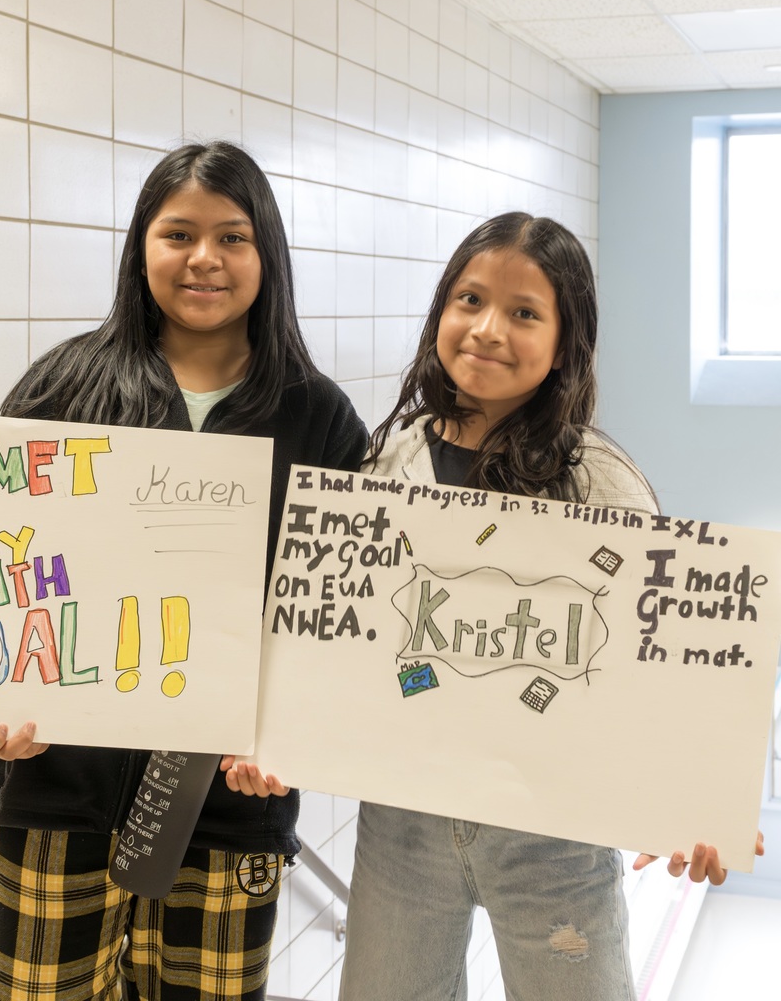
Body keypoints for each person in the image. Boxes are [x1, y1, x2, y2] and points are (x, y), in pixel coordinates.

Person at [0, 141, 368, 1001]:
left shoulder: (319, 418)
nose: (204, 259)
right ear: (142, 245)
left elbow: (336, 616)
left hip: (227, 810)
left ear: (269, 256)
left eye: (233, 236)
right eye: (178, 234)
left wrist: (293, 732)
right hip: (56, 790)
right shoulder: (64, 388)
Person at [327, 212, 764, 1001]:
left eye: (525, 312)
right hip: (403, 822)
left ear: (566, 341)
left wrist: (703, 796)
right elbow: (344, 629)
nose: (489, 329)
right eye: (468, 300)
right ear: (439, 315)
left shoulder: (599, 481)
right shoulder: (386, 459)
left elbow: (659, 653)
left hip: (551, 832)